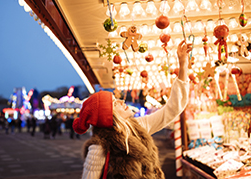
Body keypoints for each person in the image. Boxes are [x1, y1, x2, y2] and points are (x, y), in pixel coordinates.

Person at [72, 40, 191, 179]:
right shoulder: (98, 148)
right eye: (115, 103)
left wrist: (183, 64)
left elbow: (173, 108)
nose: (122, 101)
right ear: (109, 116)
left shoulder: (137, 127)